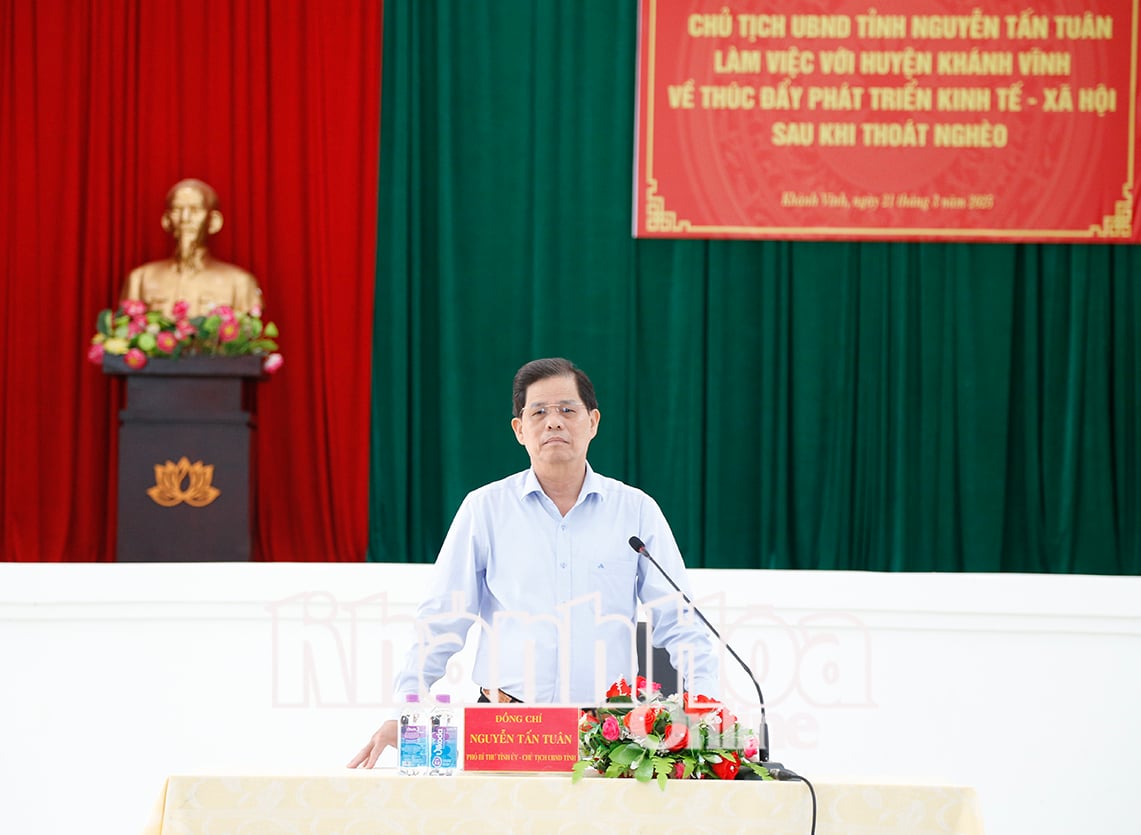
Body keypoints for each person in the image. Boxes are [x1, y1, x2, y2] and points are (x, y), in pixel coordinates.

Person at [348, 357, 719, 769]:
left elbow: (682, 623)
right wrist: (406, 711)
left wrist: (705, 704)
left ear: (593, 422)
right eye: (538, 412)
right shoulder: (485, 509)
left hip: (605, 735)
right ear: (519, 429)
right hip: (504, 726)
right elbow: (441, 620)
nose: (553, 422)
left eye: (567, 410)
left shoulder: (636, 512)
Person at [120, 178, 263, 318]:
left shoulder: (240, 283)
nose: (185, 218)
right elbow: (124, 334)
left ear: (214, 222)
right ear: (166, 220)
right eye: (177, 210)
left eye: (194, 210)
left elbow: (248, 335)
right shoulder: (140, 280)